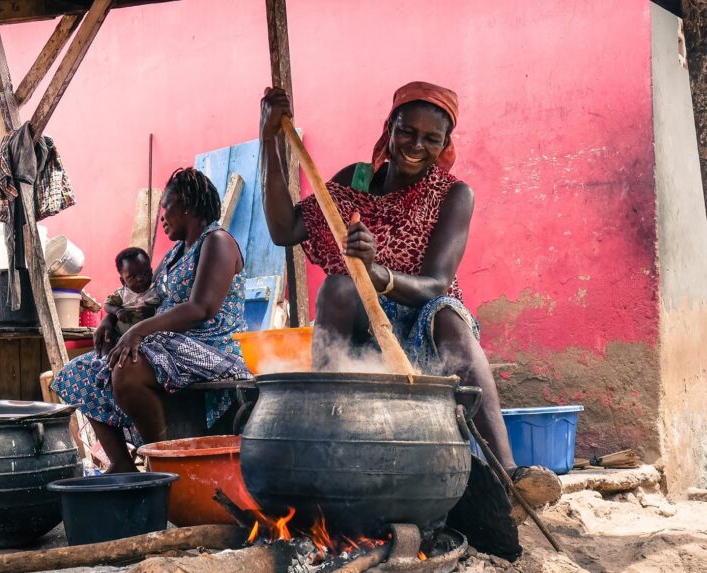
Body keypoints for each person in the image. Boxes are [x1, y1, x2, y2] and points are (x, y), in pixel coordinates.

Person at [259, 81, 561, 507]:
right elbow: (281, 230)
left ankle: (508, 473)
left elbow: (437, 284)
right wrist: (269, 138)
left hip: (425, 324)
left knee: (449, 315)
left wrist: (379, 272)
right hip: (364, 336)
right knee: (339, 286)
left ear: (445, 143)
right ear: (389, 127)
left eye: (431, 138)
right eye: (406, 132)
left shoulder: (454, 194)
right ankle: (328, 441)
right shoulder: (356, 182)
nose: (415, 145)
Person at [55, 167, 252, 473]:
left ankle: (162, 464)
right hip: (170, 345)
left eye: (167, 207)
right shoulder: (174, 254)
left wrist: (139, 331)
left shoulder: (217, 241)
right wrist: (108, 320)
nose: (162, 216)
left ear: (186, 204)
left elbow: (202, 308)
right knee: (81, 371)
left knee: (127, 370)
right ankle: (122, 463)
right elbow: (142, 300)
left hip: (212, 348)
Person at [97, 247, 162, 356]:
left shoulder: (156, 290)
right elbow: (108, 305)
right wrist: (118, 311)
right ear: (123, 281)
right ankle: (104, 360)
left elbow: (162, 309)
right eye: (132, 277)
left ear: (151, 272)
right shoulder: (122, 294)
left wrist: (151, 311)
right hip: (119, 334)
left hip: (143, 336)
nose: (140, 279)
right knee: (107, 339)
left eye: (145, 273)